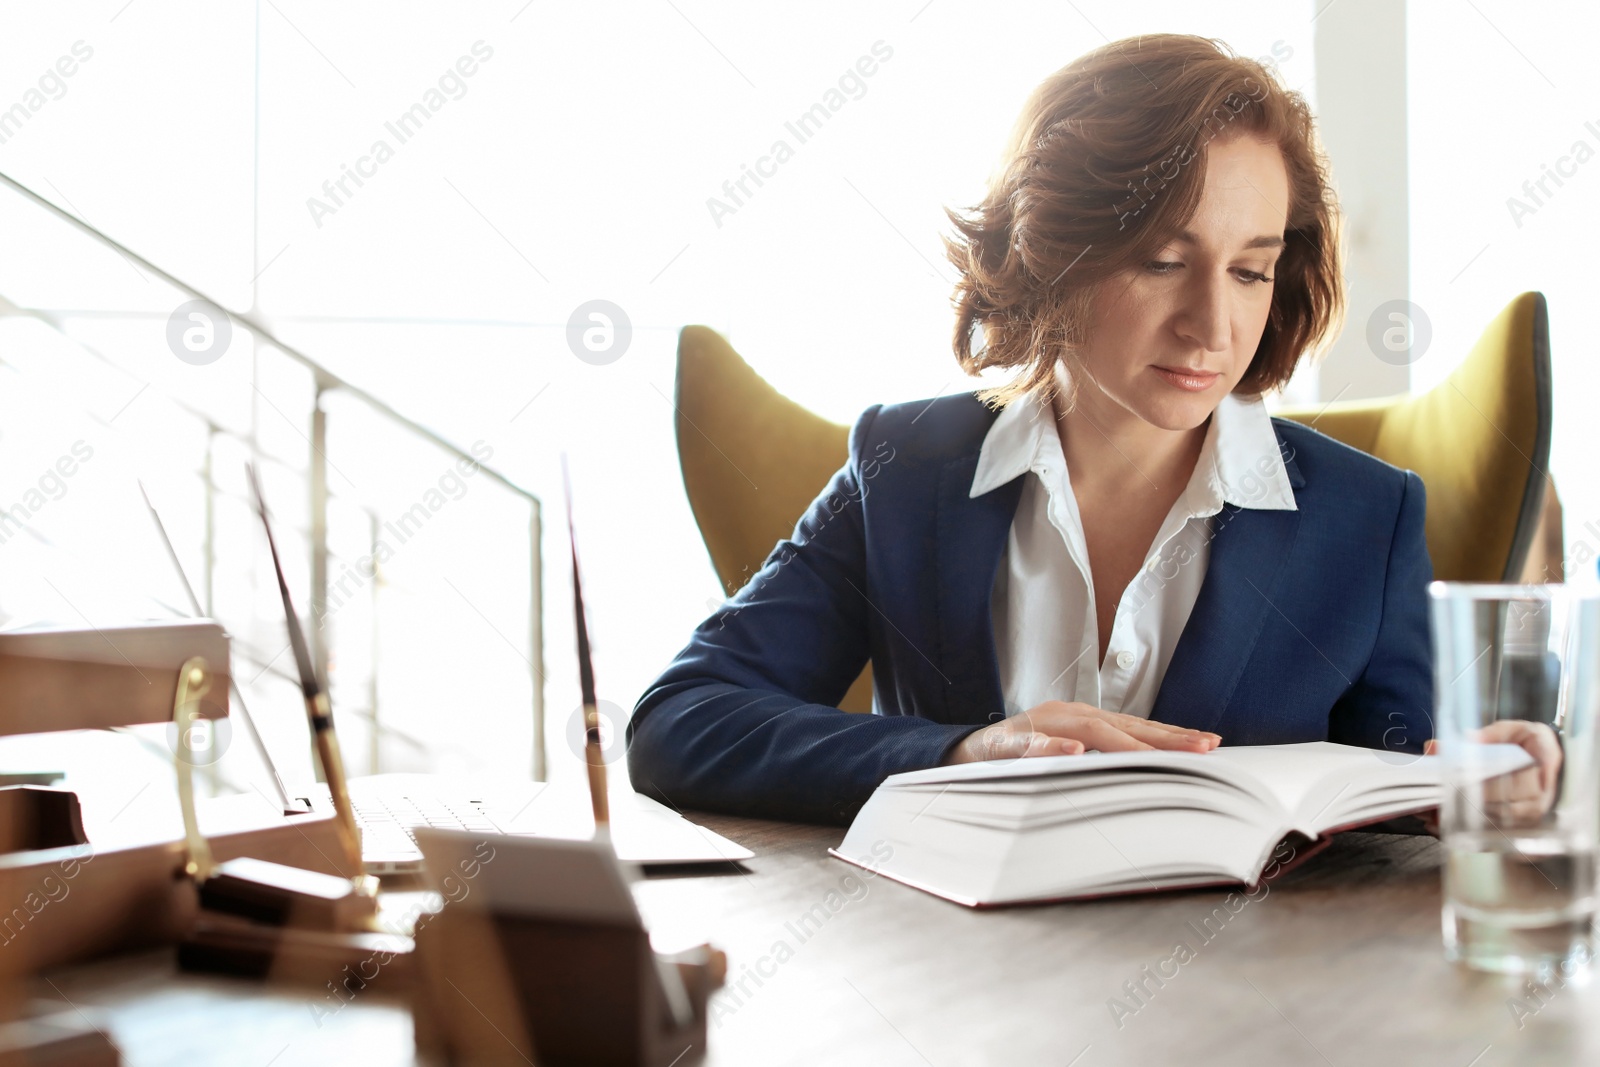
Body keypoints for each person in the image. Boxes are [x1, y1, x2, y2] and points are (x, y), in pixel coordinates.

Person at [627, 33, 1559, 825]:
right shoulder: (903, 469)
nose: (1214, 327)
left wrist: (1483, 777)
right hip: (952, 995)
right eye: (1163, 260)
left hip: (1246, 1008)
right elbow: (679, 720)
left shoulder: (1369, 515)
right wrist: (961, 753)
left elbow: (1403, 778)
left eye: (1250, 270)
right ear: (1049, 254)